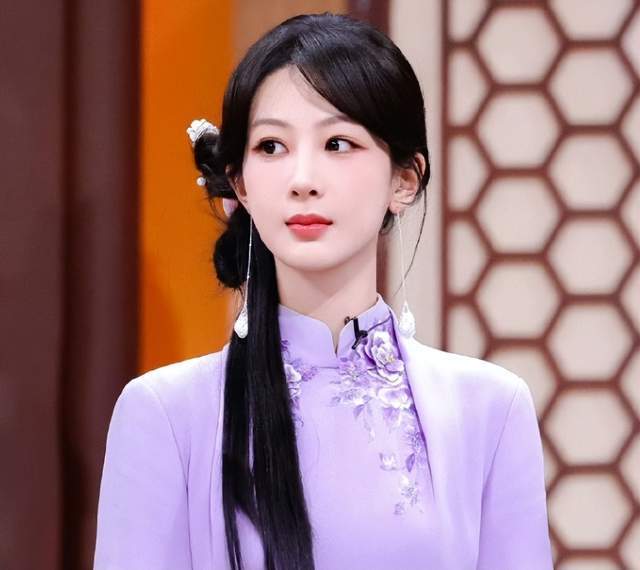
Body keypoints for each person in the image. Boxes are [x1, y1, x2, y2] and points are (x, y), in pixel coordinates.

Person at [93, 12, 553, 570]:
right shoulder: (166, 415)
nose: (302, 179)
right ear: (240, 183)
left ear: (404, 180)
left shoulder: (489, 409)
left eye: (337, 143)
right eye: (271, 146)